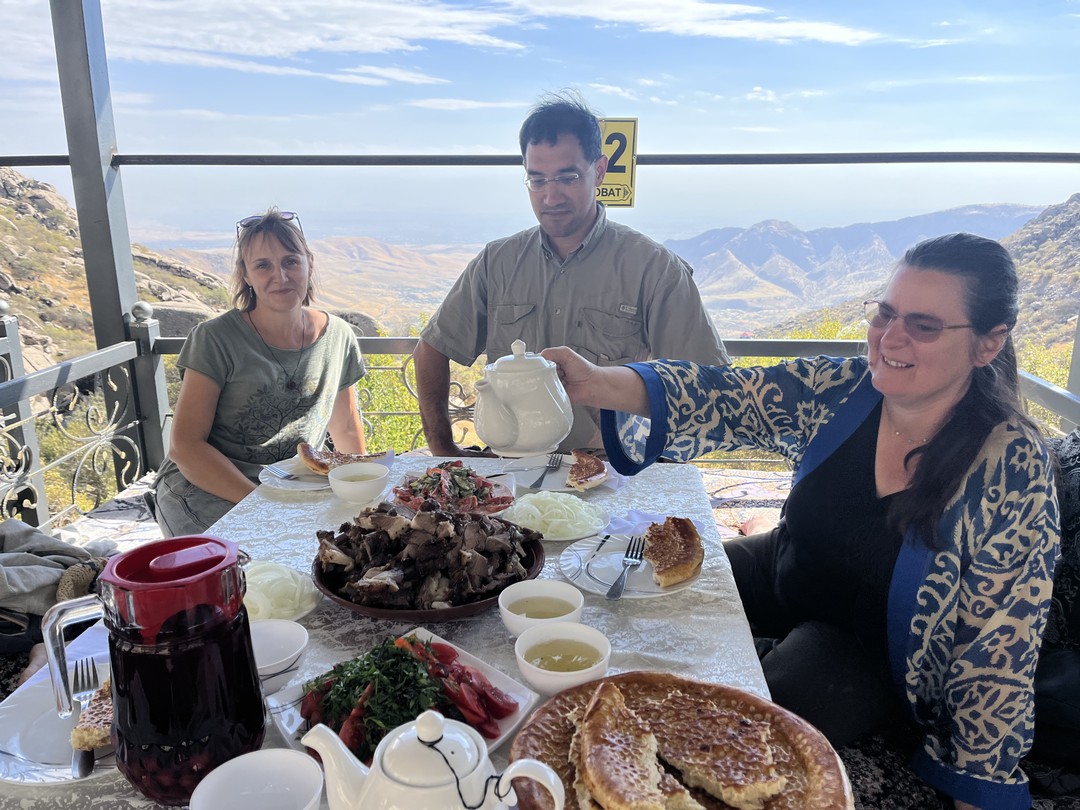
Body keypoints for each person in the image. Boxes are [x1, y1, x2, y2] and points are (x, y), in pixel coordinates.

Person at [542, 233, 1060, 810]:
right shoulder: (845, 389)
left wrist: (978, 788)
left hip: (868, 648)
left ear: (988, 343)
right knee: (631, 596)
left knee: (746, 725)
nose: (891, 338)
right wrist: (593, 381)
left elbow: (1001, 644)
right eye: (885, 313)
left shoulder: (1011, 466)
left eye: (924, 325)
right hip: (786, 567)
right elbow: (729, 395)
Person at [413, 91, 728, 456]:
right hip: (509, 470)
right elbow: (431, 348)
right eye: (537, 180)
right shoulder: (496, 262)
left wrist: (660, 463)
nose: (551, 197)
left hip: (610, 471)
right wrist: (443, 447)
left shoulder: (655, 268)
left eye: (567, 177)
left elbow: (707, 386)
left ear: (599, 171)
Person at [152, 209, 367, 536]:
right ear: (246, 275)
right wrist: (262, 505)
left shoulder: (338, 336)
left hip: (294, 488)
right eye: (263, 265)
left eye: (290, 261)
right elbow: (185, 446)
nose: (280, 276)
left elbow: (347, 429)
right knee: (247, 564)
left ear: (309, 264)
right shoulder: (214, 339)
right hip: (209, 488)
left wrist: (360, 493)